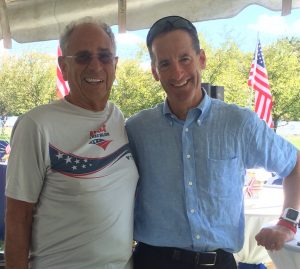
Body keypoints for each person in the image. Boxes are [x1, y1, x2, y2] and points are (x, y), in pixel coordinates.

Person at [125, 15, 300, 269]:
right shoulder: (137, 129)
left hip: (218, 263)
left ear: (202, 59)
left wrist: (287, 223)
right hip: (153, 261)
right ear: (154, 71)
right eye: (165, 64)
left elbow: (294, 165)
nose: (177, 72)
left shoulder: (239, 123)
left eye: (184, 59)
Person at [5, 17, 138, 269]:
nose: (95, 66)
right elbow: (16, 219)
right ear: (63, 67)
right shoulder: (36, 125)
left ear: (115, 64)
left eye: (104, 56)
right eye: (83, 57)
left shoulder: (117, 118)